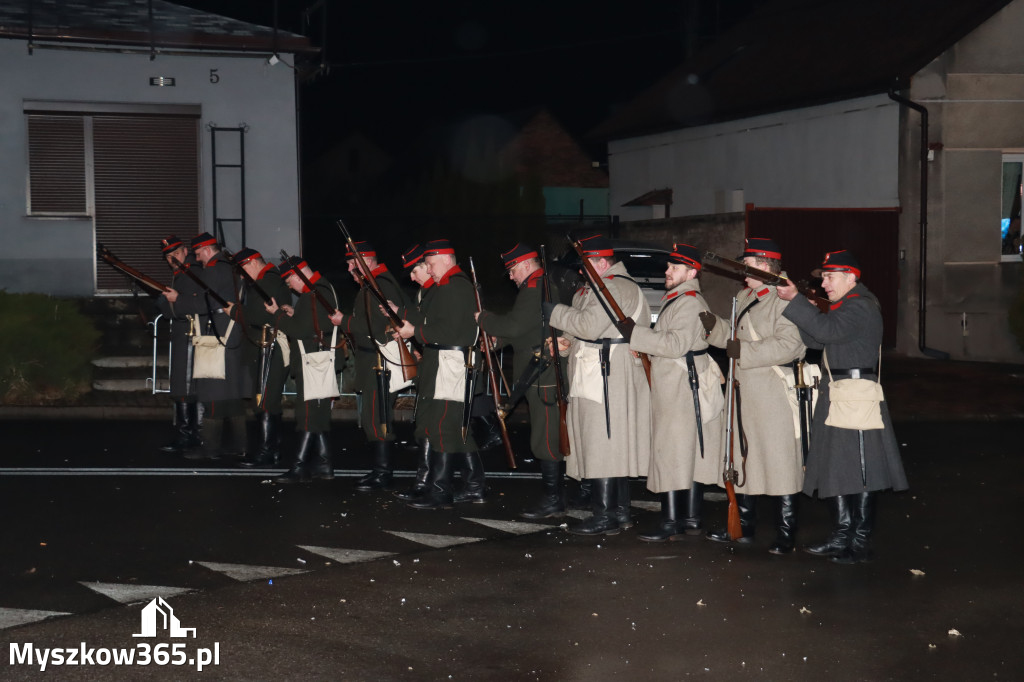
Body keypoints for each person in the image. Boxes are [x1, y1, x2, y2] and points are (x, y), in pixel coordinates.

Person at [777, 250, 908, 564]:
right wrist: (804, 310)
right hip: (836, 392)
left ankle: (859, 542)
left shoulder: (860, 306)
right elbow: (817, 341)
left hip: (854, 394)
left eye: (830, 276)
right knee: (833, 465)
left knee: (863, 473)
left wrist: (797, 302)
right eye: (823, 276)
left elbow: (827, 331)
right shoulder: (843, 307)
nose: (824, 283)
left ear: (852, 276)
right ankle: (840, 536)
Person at [701, 238, 807, 553]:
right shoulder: (746, 295)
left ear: (764, 266)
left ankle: (786, 534)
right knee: (743, 456)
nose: (742, 275)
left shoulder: (785, 299)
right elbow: (733, 339)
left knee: (779, 461)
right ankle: (744, 527)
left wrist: (741, 351)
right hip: (743, 389)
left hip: (771, 391)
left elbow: (791, 345)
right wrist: (713, 327)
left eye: (746, 267)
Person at [546, 233, 652, 535]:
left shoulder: (615, 287)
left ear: (602, 262)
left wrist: (554, 312)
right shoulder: (599, 288)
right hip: (598, 369)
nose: (582, 270)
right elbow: (587, 328)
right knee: (608, 442)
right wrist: (568, 343)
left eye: (587, 263)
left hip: (608, 372)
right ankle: (618, 513)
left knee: (604, 442)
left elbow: (590, 325)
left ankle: (606, 515)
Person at [616, 243, 722, 541]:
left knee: (673, 451)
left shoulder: (688, 302)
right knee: (685, 452)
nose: (667, 271)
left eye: (674, 268)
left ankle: (673, 522)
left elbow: (675, 345)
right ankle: (689, 518)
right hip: (680, 380)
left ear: (691, 272)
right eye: (669, 267)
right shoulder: (681, 298)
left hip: (681, 385)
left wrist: (636, 335)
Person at [394, 238, 485, 509]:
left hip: (451, 363)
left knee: (444, 426)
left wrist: (415, 333)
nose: (428, 269)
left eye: (430, 263)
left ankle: (440, 491)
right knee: (453, 427)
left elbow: (452, 332)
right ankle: (474, 485)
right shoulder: (446, 287)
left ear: (446, 259)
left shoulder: (455, 288)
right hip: (443, 362)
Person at [477, 243, 566, 519]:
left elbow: (515, 325)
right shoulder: (538, 286)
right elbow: (526, 328)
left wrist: (484, 319)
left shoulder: (533, 288)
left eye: (513, 270)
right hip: (539, 372)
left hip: (544, 375)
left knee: (547, 438)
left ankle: (554, 499)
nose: (511, 276)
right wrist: (498, 341)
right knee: (547, 435)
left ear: (526, 265)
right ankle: (563, 495)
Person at [329, 241, 408, 491]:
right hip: (371, 360)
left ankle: (383, 473)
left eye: (354, 262)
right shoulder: (372, 284)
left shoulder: (378, 285)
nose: (350, 267)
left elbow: (376, 327)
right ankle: (379, 470)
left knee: (378, 417)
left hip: (379, 361)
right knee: (374, 416)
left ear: (367, 262)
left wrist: (345, 322)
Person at [165, 233, 250, 461]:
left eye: (198, 252)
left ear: (207, 250)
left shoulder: (213, 269)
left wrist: (177, 300)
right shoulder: (229, 267)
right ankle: (239, 445)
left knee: (211, 392)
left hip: (216, 337)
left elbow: (207, 302)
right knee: (230, 395)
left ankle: (211, 447)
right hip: (230, 334)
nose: (197, 258)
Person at [267, 256, 340, 484]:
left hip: (314, 363)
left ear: (298, 274)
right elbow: (312, 324)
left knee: (308, 414)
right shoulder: (322, 288)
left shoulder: (313, 294)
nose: (289, 286)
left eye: (290, 280)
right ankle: (324, 465)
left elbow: (300, 330)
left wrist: (277, 314)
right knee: (316, 414)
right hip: (318, 361)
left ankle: (299, 467)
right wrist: (292, 313)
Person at [226, 248, 291, 468]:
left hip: (268, 346)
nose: (242, 275)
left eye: (243, 268)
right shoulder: (266, 280)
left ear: (253, 262)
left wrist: (235, 312)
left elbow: (259, 314)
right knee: (266, 398)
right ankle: (273, 448)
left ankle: (267, 451)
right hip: (261, 345)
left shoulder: (268, 281)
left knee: (264, 399)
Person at [391, 243, 435, 501]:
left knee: (434, 424)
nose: (412, 276)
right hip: (429, 361)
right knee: (430, 424)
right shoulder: (425, 293)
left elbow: (432, 324)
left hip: (443, 365)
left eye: (416, 270)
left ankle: (425, 483)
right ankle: (473, 483)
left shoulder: (439, 292)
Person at [154, 236, 202, 455]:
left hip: (191, 334)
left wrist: (166, 303)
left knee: (185, 384)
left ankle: (190, 435)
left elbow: (188, 305)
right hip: (184, 334)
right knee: (183, 384)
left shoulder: (192, 273)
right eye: (167, 255)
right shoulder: (181, 274)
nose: (171, 258)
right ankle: (190, 433)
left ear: (185, 251)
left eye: (175, 253)